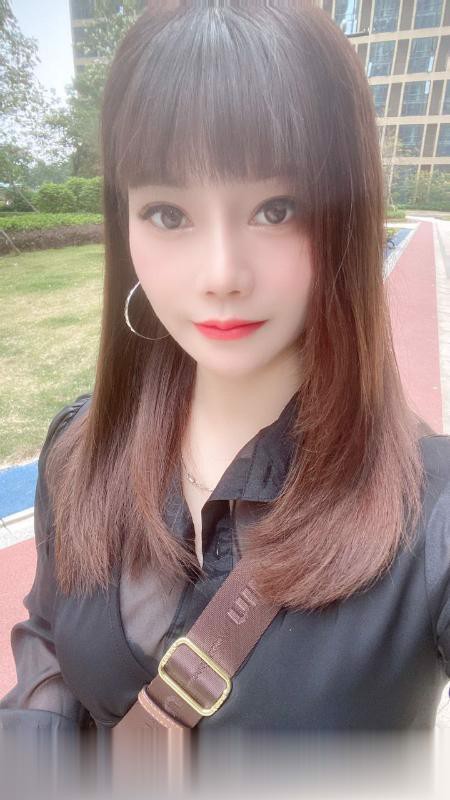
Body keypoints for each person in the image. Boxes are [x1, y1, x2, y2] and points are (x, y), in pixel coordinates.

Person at [1, 1, 449, 796]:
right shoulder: (80, 448)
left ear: (346, 217)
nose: (220, 273)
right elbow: (51, 652)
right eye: (168, 213)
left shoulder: (431, 515)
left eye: (276, 209)